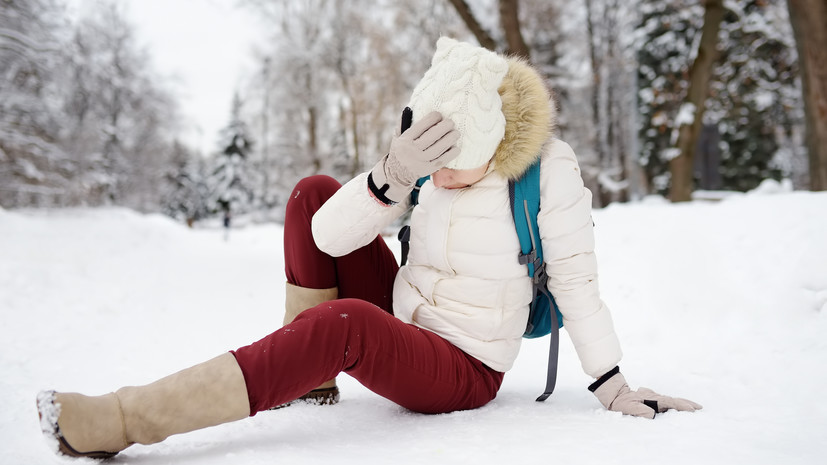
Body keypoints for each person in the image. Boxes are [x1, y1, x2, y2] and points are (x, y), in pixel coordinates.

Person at [36, 37, 701, 460]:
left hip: (463, 362)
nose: (437, 176)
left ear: (494, 142)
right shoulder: (428, 164)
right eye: (428, 160)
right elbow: (326, 236)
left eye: (452, 162)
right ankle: (312, 370)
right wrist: (391, 175)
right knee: (312, 195)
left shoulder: (548, 170)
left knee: (342, 323)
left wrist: (611, 383)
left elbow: (579, 282)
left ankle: (125, 418)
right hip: (404, 312)